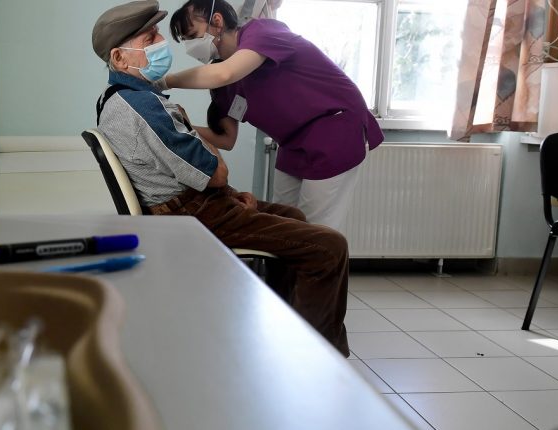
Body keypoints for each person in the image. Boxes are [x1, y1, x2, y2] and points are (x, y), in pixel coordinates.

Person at [91, 0, 350, 356]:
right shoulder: (142, 105)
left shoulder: (125, 98)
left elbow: (215, 137)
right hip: (193, 212)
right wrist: (223, 186)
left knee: (294, 216)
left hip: (193, 203)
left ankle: (287, 326)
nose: (162, 44)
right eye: (150, 39)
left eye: (158, 35)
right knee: (329, 247)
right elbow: (215, 171)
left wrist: (218, 177)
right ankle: (318, 356)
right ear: (120, 59)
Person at [161, 0, 384, 233]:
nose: (190, 46)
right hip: (292, 142)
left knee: (315, 229)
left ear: (217, 22)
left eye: (192, 36)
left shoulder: (262, 32)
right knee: (282, 220)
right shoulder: (223, 85)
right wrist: (179, 124)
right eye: (185, 41)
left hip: (334, 127)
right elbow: (226, 139)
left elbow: (225, 73)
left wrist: (165, 81)